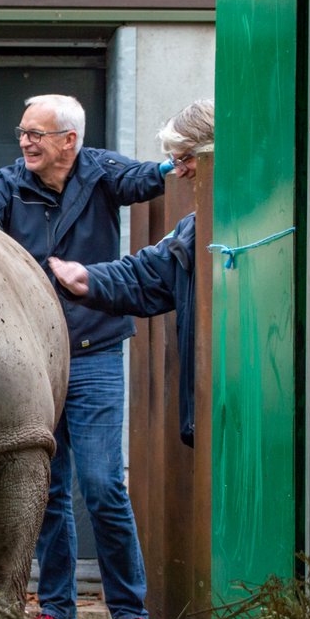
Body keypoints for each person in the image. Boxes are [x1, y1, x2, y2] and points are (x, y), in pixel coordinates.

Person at [0, 93, 175, 619]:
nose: (25, 142)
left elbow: (149, 179)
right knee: (48, 490)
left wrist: (185, 156)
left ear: (69, 142)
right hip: (32, 360)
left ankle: (130, 613)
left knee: (104, 486)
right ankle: (57, 610)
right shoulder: (8, 184)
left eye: (37, 133)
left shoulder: (101, 173)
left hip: (95, 352)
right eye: (23, 132)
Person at [50, 99, 215, 449]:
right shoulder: (191, 231)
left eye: (185, 158)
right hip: (212, 414)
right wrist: (89, 281)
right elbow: (147, 276)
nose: (180, 171)